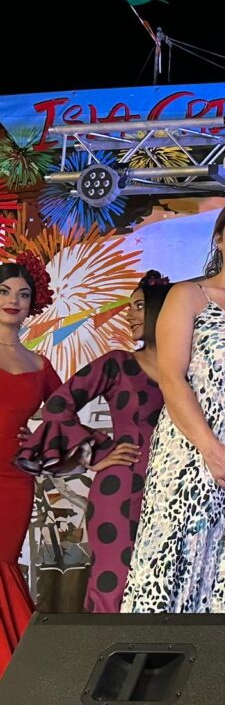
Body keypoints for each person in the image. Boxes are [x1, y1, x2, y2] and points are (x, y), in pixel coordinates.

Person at [122, 195, 225, 613]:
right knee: (170, 579)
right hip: (191, 457)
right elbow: (172, 380)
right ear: (218, 238)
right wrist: (211, 451)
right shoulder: (189, 295)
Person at [18, 270, 171, 612]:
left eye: (140, 307)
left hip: (173, 492)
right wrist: (98, 452)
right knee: (112, 588)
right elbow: (58, 406)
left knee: (165, 588)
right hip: (122, 487)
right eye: (129, 306)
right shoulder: (118, 363)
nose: (129, 314)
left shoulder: (193, 371)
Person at [0, 253, 59, 676]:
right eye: (4, 291)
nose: (13, 300)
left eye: (23, 293)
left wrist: (38, 440)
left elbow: (68, 421)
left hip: (11, 481)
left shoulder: (40, 366)